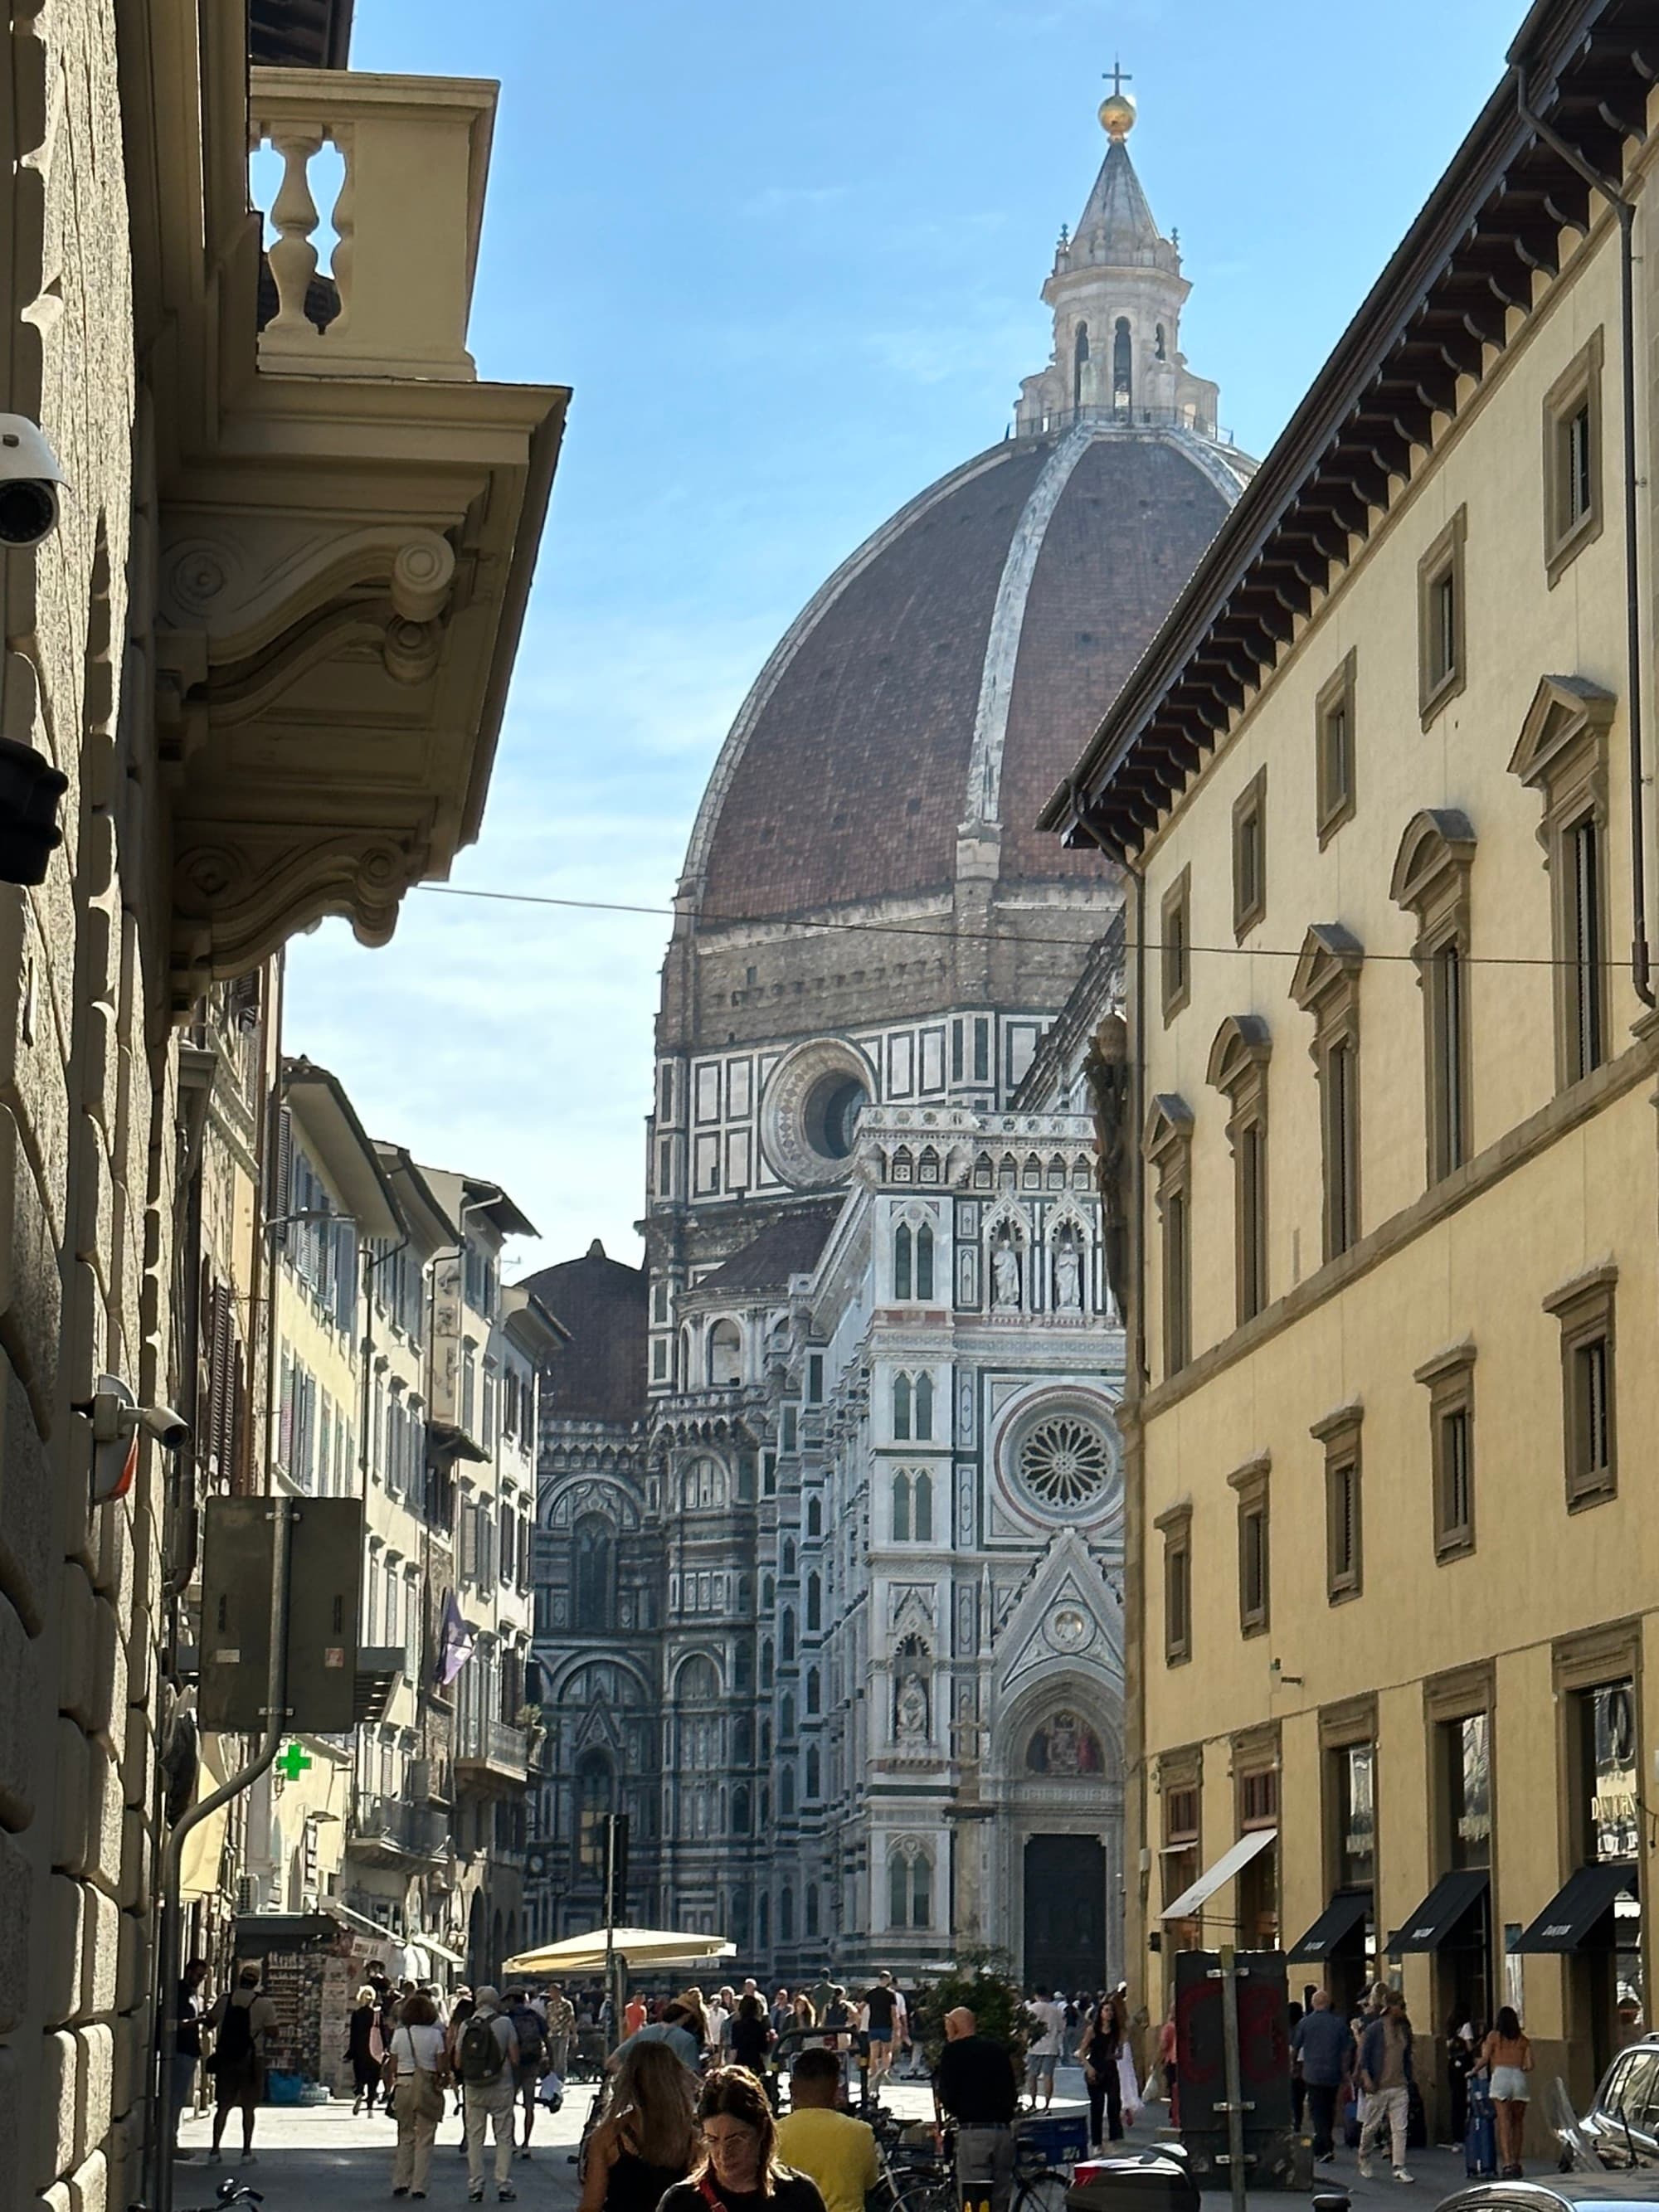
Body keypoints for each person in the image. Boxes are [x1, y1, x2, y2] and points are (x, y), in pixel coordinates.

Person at [658, 2065, 827, 2212]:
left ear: (761, 2132)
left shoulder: (799, 2197)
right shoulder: (681, 2203)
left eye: (736, 2139)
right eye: (713, 2140)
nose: (724, 2154)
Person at [578, 2037, 700, 2212]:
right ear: (675, 2080)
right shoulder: (691, 2137)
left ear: (630, 2081)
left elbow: (590, 2206)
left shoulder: (609, 2136)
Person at [934, 2006, 1018, 2212]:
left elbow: (948, 2095)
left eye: (948, 2026)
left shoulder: (952, 2052)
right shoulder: (997, 2050)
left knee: (975, 2197)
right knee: (1000, 2198)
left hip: (974, 2133)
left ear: (955, 2027)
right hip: (1003, 2133)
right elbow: (1011, 2090)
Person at [777, 2048, 879, 2212]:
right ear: (837, 2088)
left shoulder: (776, 2133)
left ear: (792, 2088)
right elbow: (870, 2182)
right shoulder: (861, 2132)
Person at [205, 1962, 276, 2165]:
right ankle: (246, 2151)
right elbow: (273, 2031)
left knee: (223, 2106)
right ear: (257, 1982)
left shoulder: (225, 2000)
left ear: (240, 1978)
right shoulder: (264, 2004)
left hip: (227, 2058)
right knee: (249, 2107)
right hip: (252, 2058)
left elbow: (210, 2022)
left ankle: (215, 2150)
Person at [457, 1983, 519, 2204]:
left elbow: (457, 2061)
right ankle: (503, 2184)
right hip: (500, 2085)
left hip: (473, 2086)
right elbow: (514, 2058)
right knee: (503, 2136)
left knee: (475, 2137)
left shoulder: (466, 2026)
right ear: (496, 2003)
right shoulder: (505, 2023)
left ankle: (476, 2186)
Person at [387, 1990, 449, 2200]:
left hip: (403, 2085)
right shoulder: (435, 2036)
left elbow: (393, 2066)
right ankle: (419, 2186)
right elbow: (441, 2067)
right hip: (426, 2087)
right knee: (425, 2137)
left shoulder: (400, 2034)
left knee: (405, 2135)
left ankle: (400, 2181)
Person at [1357, 1988, 1415, 2186]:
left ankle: (1399, 2166)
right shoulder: (1374, 2029)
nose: (1404, 2010)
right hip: (1379, 2085)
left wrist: (1409, 2077)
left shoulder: (1404, 2029)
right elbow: (1364, 2057)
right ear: (1391, 2008)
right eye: (1401, 2006)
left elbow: (1407, 2056)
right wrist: (1367, 2078)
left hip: (1399, 2085)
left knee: (1400, 2128)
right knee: (1371, 2126)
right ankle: (1364, 2155)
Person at [1292, 1991, 1354, 2165]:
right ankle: (1325, 2142)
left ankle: (1324, 2145)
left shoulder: (1305, 2023)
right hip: (1333, 2073)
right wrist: (1345, 2071)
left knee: (1317, 2110)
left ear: (1313, 2004)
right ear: (1328, 2004)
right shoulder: (1339, 2023)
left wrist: (1293, 2066)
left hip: (1312, 2073)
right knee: (1329, 2107)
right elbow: (1346, 2051)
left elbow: (1295, 2048)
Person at [1481, 2006, 1532, 2179]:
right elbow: (1529, 2065)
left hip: (1501, 2076)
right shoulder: (1523, 2040)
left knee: (1504, 2123)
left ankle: (1507, 2163)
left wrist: (1472, 2071)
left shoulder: (1494, 2037)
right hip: (1518, 2077)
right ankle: (1517, 2162)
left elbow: (1485, 2059)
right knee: (1518, 2123)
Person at [171, 1959, 210, 2158]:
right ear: (188, 1971)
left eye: (203, 1977)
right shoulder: (178, 1993)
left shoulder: (194, 1995)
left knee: (177, 2098)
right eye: (198, 1975)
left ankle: (171, 2140)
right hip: (178, 2051)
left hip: (189, 2051)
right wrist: (197, 2020)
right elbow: (172, 2023)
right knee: (174, 2099)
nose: (200, 1980)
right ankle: (170, 2142)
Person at [505, 1987, 550, 2160]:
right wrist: (551, 2062)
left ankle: (512, 2142)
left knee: (509, 2105)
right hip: (532, 2062)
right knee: (529, 2105)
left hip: (513, 2064)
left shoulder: (508, 2018)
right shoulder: (534, 2016)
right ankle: (526, 2143)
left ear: (511, 2000)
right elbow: (546, 2038)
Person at [1079, 1991, 1123, 2153]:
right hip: (1095, 2068)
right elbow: (1082, 2052)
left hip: (1111, 2068)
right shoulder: (1093, 2030)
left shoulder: (1116, 2031)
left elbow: (1120, 2052)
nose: (1109, 2014)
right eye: (1106, 2010)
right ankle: (1097, 2143)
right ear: (1100, 2012)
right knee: (1097, 2107)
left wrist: (1117, 2054)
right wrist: (1089, 2068)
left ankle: (1113, 2139)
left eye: (1111, 2011)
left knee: (1114, 2104)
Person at [1023, 1989, 1066, 2113]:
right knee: (1048, 2076)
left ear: (1035, 1995)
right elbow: (1061, 2028)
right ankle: (1047, 2105)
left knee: (1032, 2075)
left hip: (1034, 2046)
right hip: (1051, 2046)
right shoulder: (1055, 2010)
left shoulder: (1031, 2008)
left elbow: (1026, 2026)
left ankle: (1033, 2103)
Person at [348, 1983, 385, 2116]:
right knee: (373, 2080)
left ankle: (359, 2093)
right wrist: (386, 2048)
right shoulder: (377, 2014)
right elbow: (383, 2032)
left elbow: (353, 2035)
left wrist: (351, 2052)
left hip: (359, 2050)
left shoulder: (356, 2014)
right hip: (374, 2051)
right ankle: (370, 2108)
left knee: (360, 2077)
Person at [861, 1971, 902, 2088]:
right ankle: (884, 2071)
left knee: (874, 2052)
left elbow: (861, 2007)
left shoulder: (871, 1993)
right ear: (888, 1979)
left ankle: (873, 2073)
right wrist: (897, 2027)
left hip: (873, 2025)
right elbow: (894, 2013)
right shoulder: (891, 1994)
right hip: (886, 2025)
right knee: (887, 2051)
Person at [731, 1992, 775, 2079]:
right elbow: (764, 2050)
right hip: (755, 2062)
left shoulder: (736, 2025)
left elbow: (734, 2048)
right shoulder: (760, 2026)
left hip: (740, 2061)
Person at [545, 1981, 577, 2077]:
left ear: (558, 1992)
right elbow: (547, 2019)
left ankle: (561, 2078)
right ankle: (553, 2078)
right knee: (553, 2059)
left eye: (553, 1992)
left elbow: (571, 2019)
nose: (551, 1994)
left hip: (563, 2034)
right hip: (551, 2034)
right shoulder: (549, 2005)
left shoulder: (567, 2004)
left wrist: (574, 2034)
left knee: (561, 2058)